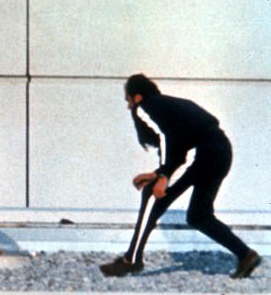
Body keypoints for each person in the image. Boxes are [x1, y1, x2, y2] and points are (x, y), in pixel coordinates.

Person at [100, 74, 261, 279]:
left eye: (128, 100)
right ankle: (246, 255)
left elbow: (165, 138)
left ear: (138, 97)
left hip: (201, 153)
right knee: (198, 216)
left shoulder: (145, 107)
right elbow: (178, 143)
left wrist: (164, 175)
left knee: (151, 195)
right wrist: (158, 173)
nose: (128, 106)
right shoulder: (169, 105)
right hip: (220, 151)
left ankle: (130, 260)